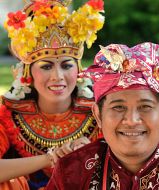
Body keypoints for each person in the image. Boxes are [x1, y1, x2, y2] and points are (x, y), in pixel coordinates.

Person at [47, 42, 159, 189]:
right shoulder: (72, 172)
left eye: (145, 107)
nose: (131, 121)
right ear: (98, 115)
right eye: (118, 107)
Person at [0, 0, 104, 189]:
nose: (58, 77)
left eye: (66, 65)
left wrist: (90, 151)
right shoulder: (8, 114)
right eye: (46, 66)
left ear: (79, 69)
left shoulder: (99, 112)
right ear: (28, 71)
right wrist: (51, 157)